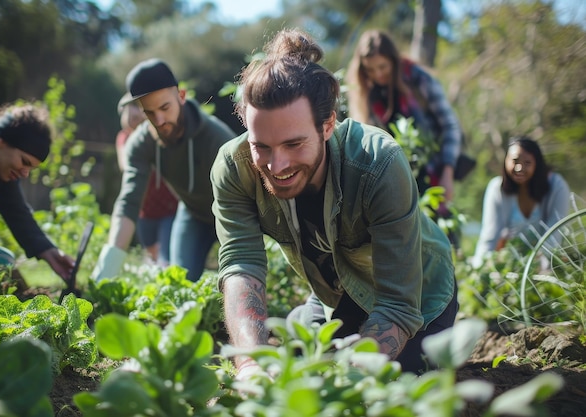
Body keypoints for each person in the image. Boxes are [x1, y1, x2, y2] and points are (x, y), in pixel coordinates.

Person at [210, 28, 458, 376]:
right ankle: (311, 319)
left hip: (419, 292)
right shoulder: (234, 169)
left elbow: (398, 306)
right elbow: (241, 266)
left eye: (294, 144)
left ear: (327, 125)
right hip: (343, 290)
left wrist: (348, 379)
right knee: (300, 365)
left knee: (398, 380)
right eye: (261, 146)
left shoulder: (378, 163)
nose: (276, 166)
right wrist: (250, 365)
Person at [92, 58, 236, 282]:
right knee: (180, 283)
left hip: (232, 213)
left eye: (164, 108)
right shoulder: (140, 144)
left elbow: (246, 195)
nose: (159, 120)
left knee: (236, 277)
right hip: (193, 214)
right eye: (149, 113)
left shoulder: (216, 138)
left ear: (181, 96)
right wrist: (106, 271)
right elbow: (129, 202)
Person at [0, 103, 75, 309]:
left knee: (3, 262)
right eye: (24, 161)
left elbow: (20, 216)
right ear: (1, 141)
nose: (25, 173)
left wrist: (51, 253)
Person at [345, 29, 462, 202]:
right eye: (370, 69)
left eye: (382, 67)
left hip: (430, 173)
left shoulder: (418, 79)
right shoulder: (366, 93)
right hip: (391, 182)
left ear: (394, 61)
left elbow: (450, 126)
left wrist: (447, 171)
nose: (377, 74)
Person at [472, 136, 570, 268]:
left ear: (537, 164)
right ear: (506, 160)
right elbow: (489, 237)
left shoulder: (557, 187)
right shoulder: (496, 189)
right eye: (515, 160)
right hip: (508, 263)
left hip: (545, 265)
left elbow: (555, 234)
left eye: (527, 162)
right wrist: (480, 270)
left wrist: (540, 270)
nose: (519, 168)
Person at [115, 94, 180, 267]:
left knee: (165, 258)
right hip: (145, 209)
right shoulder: (124, 138)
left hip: (169, 207)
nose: (132, 114)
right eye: (128, 110)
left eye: (136, 108)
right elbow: (125, 166)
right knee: (151, 256)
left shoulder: (160, 134)